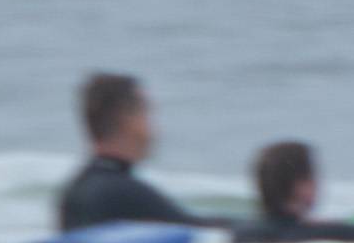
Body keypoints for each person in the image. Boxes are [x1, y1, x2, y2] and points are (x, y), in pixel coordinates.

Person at [54, 71, 227, 233]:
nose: (154, 129)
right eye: (146, 113)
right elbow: (194, 230)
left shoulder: (73, 193)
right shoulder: (120, 192)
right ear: (127, 120)